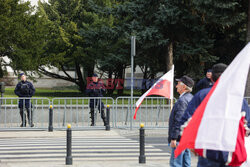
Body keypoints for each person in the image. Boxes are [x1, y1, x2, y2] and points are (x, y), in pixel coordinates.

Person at [180, 63, 250, 167]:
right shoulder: (238, 99)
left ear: (211, 78)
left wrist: (192, 145)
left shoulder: (201, 95)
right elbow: (247, 127)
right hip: (230, 151)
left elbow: (187, 122)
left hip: (208, 150)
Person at [168, 75, 194, 167]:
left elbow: (179, 121)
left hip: (179, 138)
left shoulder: (182, 101)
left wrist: (174, 138)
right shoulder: (190, 97)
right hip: (186, 136)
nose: (176, 86)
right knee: (186, 163)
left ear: (184, 87)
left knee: (176, 163)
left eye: (178, 84)